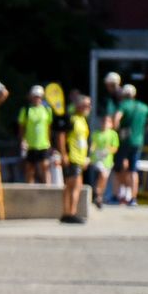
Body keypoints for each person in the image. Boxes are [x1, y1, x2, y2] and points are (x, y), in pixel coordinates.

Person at [112, 84, 148, 206]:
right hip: (138, 141)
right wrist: (144, 129)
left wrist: (116, 130)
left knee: (119, 168)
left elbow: (116, 118)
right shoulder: (143, 106)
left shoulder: (123, 105)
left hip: (124, 141)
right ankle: (133, 198)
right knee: (133, 170)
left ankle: (117, 195)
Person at [59, 94, 90, 223]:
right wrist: (63, 154)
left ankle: (68, 212)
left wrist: (86, 158)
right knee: (73, 185)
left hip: (80, 158)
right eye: (86, 105)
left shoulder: (83, 120)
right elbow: (62, 136)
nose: (88, 107)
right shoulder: (71, 118)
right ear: (78, 105)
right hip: (72, 156)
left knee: (75, 185)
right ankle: (70, 213)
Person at [18, 85, 53, 184]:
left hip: (43, 144)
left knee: (45, 166)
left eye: (39, 97)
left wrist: (49, 141)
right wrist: (22, 140)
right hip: (30, 144)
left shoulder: (47, 110)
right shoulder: (26, 110)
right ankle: (29, 189)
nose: (37, 99)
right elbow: (21, 127)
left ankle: (47, 188)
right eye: (35, 96)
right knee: (30, 168)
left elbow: (49, 127)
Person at [90, 114, 118, 211]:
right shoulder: (96, 134)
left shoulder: (113, 134)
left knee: (104, 178)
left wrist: (107, 150)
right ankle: (97, 192)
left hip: (107, 160)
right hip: (97, 159)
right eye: (104, 121)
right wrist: (92, 150)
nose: (105, 124)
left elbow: (115, 147)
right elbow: (93, 145)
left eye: (108, 122)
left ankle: (99, 196)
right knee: (102, 174)